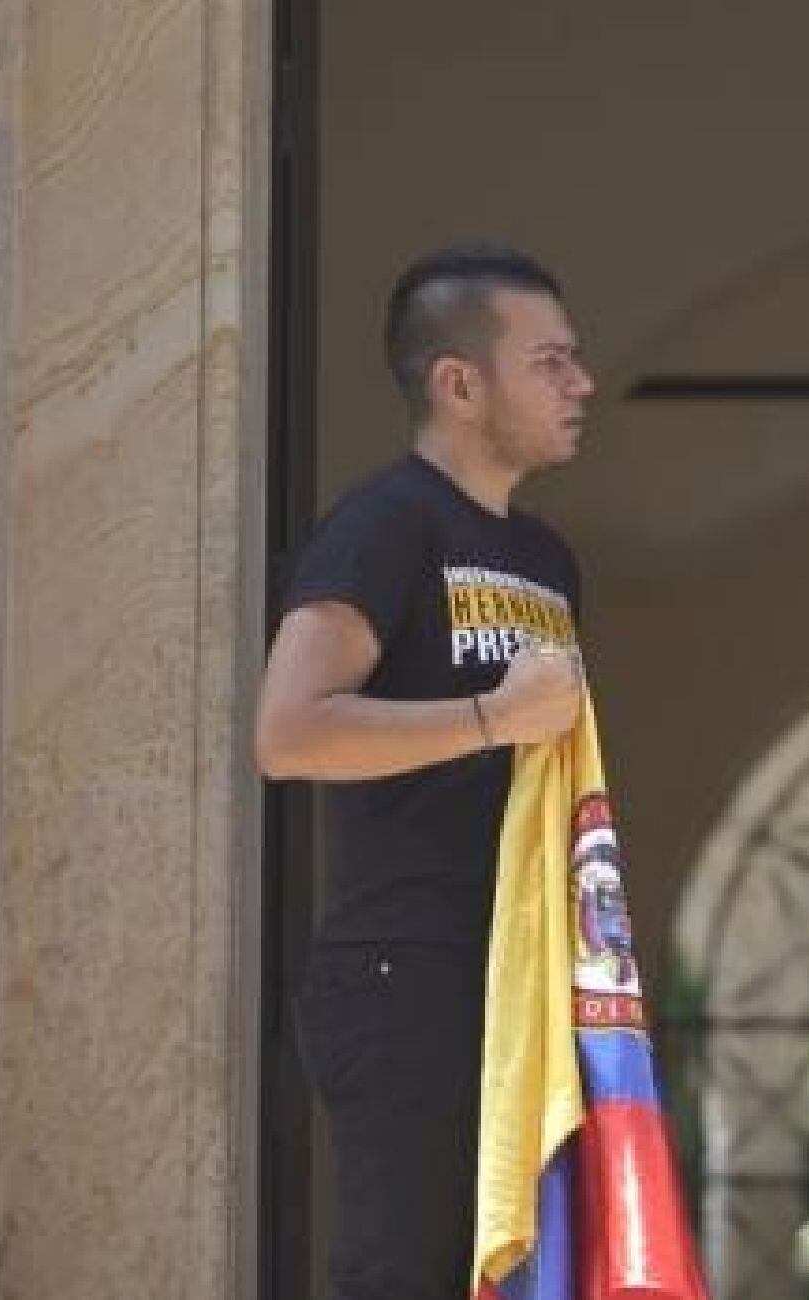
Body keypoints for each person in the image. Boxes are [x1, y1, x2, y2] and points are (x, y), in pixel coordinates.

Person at [254, 242, 595, 1300]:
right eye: (550, 362)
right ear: (460, 384)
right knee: (401, 1273)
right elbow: (289, 732)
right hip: (404, 969)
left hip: (520, 971)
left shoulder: (548, 558)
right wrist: (494, 715)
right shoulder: (382, 524)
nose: (581, 384)